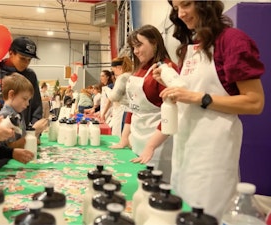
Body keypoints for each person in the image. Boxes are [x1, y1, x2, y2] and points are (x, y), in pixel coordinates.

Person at [152, 0, 265, 220]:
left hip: (214, 153)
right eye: (176, 8)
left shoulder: (232, 41)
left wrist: (198, 97)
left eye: (186, 4)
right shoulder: (192, 48)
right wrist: (171, 84)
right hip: (185, 148)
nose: (181, 13)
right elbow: (191, 93)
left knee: (207, 215)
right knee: (184, 210)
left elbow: (255, 102)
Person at [0, 36, 48, 170]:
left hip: (20, 139)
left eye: (29, 60)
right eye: (22, 58)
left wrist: (34, 134)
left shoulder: (30, 75)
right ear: (11, 53)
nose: (25, 63)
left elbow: (36, 107)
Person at [126, 24, 178, 183]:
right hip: (137, 139)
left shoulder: (166, 70)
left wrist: (151, 146)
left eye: (139, 45)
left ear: (155, 42)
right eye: (133, 47)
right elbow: (132, 106)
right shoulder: (140, 68)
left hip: (159, 143)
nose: (135, 51)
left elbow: (172, 113)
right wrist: (124, 137)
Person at [0, 73, 36, 151]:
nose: (27, 104)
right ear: (11, 95)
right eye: (25, 99)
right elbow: (8, 147)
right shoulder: (5, 116)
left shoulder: (18, 114)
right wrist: (29, 138)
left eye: (28, 100)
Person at [101, 56, 133, 137]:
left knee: (118, 136)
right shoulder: (132, 75)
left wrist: (108, 92)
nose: (114, 73)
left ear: (119, 68)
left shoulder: (122, 77)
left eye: (113, 70)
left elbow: (114, 96)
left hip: (122, 110)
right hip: (129, 110)